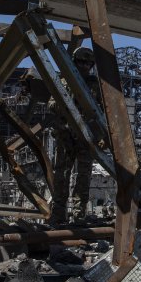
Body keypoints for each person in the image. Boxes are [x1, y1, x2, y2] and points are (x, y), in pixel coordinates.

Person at [49, 46, 102, 224]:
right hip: (65, 135)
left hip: (85, 137)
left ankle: (79, 215)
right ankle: (58, 215)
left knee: (84, 176)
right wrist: (66, 106)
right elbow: (51, 105)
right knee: (62, 175)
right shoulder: (64, 81)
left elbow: (102, 112)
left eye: (89, 63)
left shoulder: (95, 84)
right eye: (81, 62)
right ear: (74, 62)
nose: (85, 66)